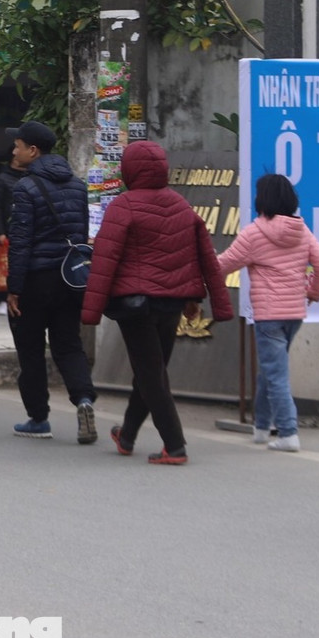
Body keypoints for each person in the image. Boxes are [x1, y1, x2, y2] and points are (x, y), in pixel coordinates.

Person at [80, 141, 234, 464]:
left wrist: (90, 312)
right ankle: (127, 435)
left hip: (136, 305)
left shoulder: (124, 205)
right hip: (172, 304)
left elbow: (105, 260)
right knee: (152, 371)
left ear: (129, 170)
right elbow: (201, 256)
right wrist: (198, 299)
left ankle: (175, 445)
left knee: (151, 374)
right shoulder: (181, 205)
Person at [215, 173, 319, 453]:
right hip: (294, 313)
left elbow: (223, 265)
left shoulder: (255, 233)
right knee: (270, 371)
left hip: (268, 316)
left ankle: (289, 432)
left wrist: (200, 264)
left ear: (261, 200)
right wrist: (314, 292)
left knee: (275, 374)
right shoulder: (301, 230)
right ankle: (261, 427)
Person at [4, 120, 97, 444]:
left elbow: (20, 242)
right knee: (69, 344)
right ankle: (84, 400)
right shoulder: (78, 186)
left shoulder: (26, 188)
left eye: (17, 146)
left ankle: (39, 418)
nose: (13, 151)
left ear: (33, 150)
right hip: (69, 279)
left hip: (35, 280)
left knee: (30, 349)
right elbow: (82, 235)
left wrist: (13, 289)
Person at [0, 149, 27, 315]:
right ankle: (2, 298)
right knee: (3, 265)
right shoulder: (2, 179)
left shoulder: (29, 177)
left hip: (24, 228)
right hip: (6, 229)